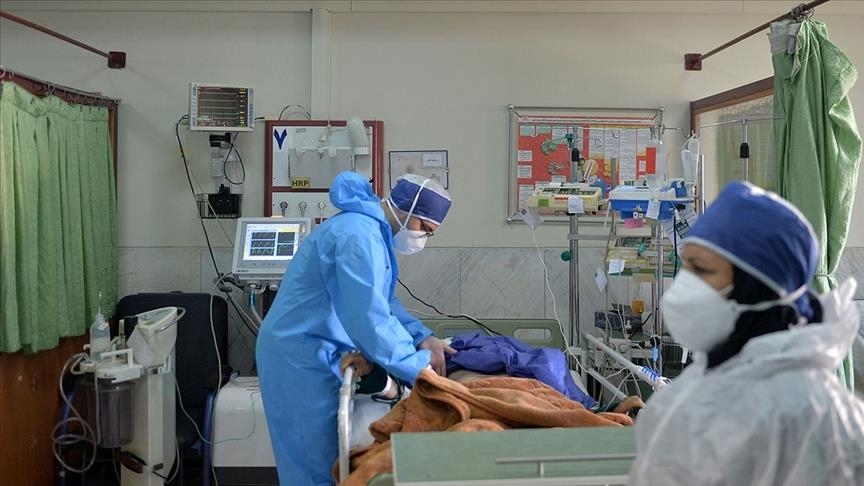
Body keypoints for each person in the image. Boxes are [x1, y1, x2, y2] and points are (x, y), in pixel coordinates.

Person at [629, 181, 864, 486]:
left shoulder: (810, 414)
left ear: (754, 287)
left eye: (702, 270)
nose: (684, 285)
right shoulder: (698, 385)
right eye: (685, 266)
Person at [256, 172, 455, 485]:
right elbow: (368, 318)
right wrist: (418, 369)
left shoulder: (370, 232)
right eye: (424, 228)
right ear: (407, 210)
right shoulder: (357, 236)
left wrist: (422, 337)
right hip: (299, 356)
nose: (423, 238)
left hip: (317, 349)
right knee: (313, 466)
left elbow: (382, 301)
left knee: (326, 461)